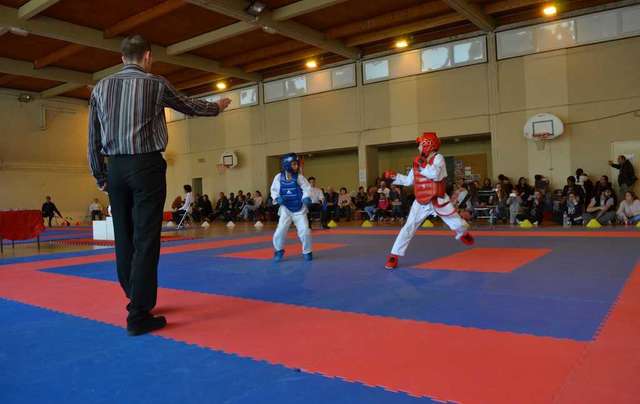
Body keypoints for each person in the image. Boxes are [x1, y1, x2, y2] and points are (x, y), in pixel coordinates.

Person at [87, 35, 231, 336]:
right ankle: (138, 313)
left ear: (121, 57)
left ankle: (135, 297)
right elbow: (188, 106)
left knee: (124, 237)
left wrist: (101, 175)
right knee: (146, 237)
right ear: (148, 57)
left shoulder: (100, 87)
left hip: (115, 166)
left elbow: (93, 139)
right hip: (146, 166)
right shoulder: (155, 84)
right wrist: (216, 107)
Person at [383, 132, 474, 270]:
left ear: (427, 145)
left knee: (455, 221)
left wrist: (421, 165)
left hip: (438, 198)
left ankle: (463, 233)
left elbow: (435, 175)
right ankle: (394, 255)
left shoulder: (439, 158)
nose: (418, 147)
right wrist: (395, 177)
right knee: (408, 227)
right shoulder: (417, 161)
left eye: (420, 144)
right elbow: (408, 181)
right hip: (421, 201)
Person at [271, 153, 313, 262]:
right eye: (294, 164)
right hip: (286, 209)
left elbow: (307, 188)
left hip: (300, 209)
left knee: (305, 231)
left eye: (297, 164)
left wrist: (306, 197)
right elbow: (273, 190)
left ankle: (307, 251)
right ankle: (279, 250)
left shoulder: (299, 177)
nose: (296, 166)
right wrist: (277, 198)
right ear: (286, 164)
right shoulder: (278, 177)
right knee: (280, 231)